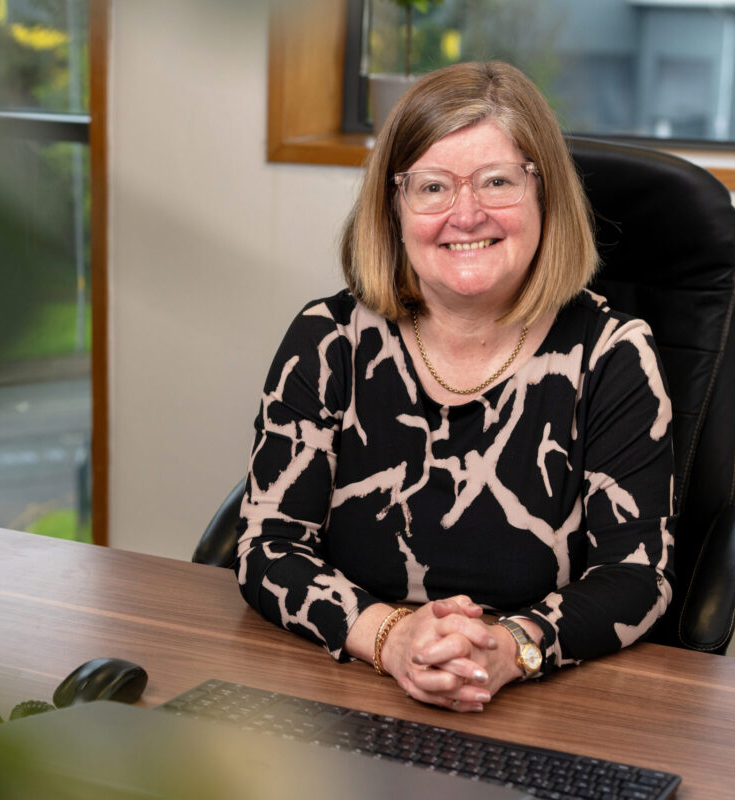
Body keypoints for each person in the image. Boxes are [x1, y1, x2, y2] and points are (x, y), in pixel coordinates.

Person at [235, 61, 675, 712]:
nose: (466, 215)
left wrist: (510, 648)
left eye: (497, 181)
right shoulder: (329, 340)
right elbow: (268, 546)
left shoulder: (612, 355)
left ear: (544, 194)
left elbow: (635, 575)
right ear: (394, 206)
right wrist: (391, 638)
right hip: (345, 694)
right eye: (433, 187)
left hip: (541, 710)